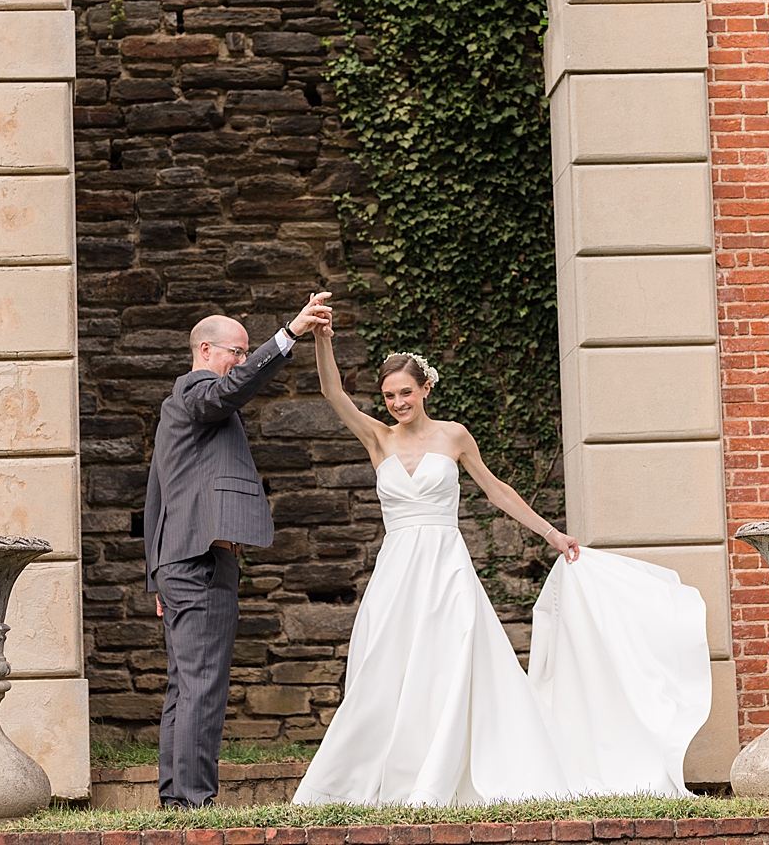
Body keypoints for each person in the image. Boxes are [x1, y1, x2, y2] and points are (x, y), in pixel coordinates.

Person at [291, 326, 712, 805]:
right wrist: (322, 337)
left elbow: (496, 491)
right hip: (397, 571)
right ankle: (388, 767)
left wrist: (551, 533)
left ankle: (450, 769)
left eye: (405, 393)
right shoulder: (377, 438)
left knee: (453, 660)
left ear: (425, 389)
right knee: (387, 665)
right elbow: (332, 391)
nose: (397, 403)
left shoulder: (454, 437)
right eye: (389, 396)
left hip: (446, 570)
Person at [145, 294, 332, 809]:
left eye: (249, 352)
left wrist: (156, 575)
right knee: (201, 687)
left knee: (185, 687)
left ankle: (176, 801)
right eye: (239, 351)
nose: (244, 362)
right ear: (206, 350)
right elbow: (229, 389)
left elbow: (157, 493)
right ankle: (193, 804)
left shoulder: (181, 408)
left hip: (183, 562)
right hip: (200, 562)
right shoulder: (197, 390)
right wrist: (288, 334)